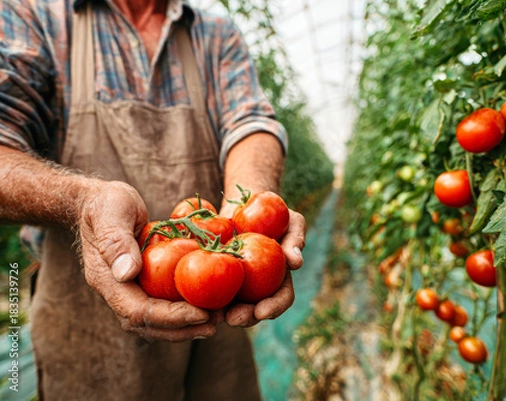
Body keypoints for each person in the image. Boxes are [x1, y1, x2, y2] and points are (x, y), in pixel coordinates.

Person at [0, 0, 306, 399]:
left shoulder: (214, 31)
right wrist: (82, 201)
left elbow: (251, 123)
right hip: (86, 319)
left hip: (221, 312)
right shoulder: (34, 14)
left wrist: (250, 212)